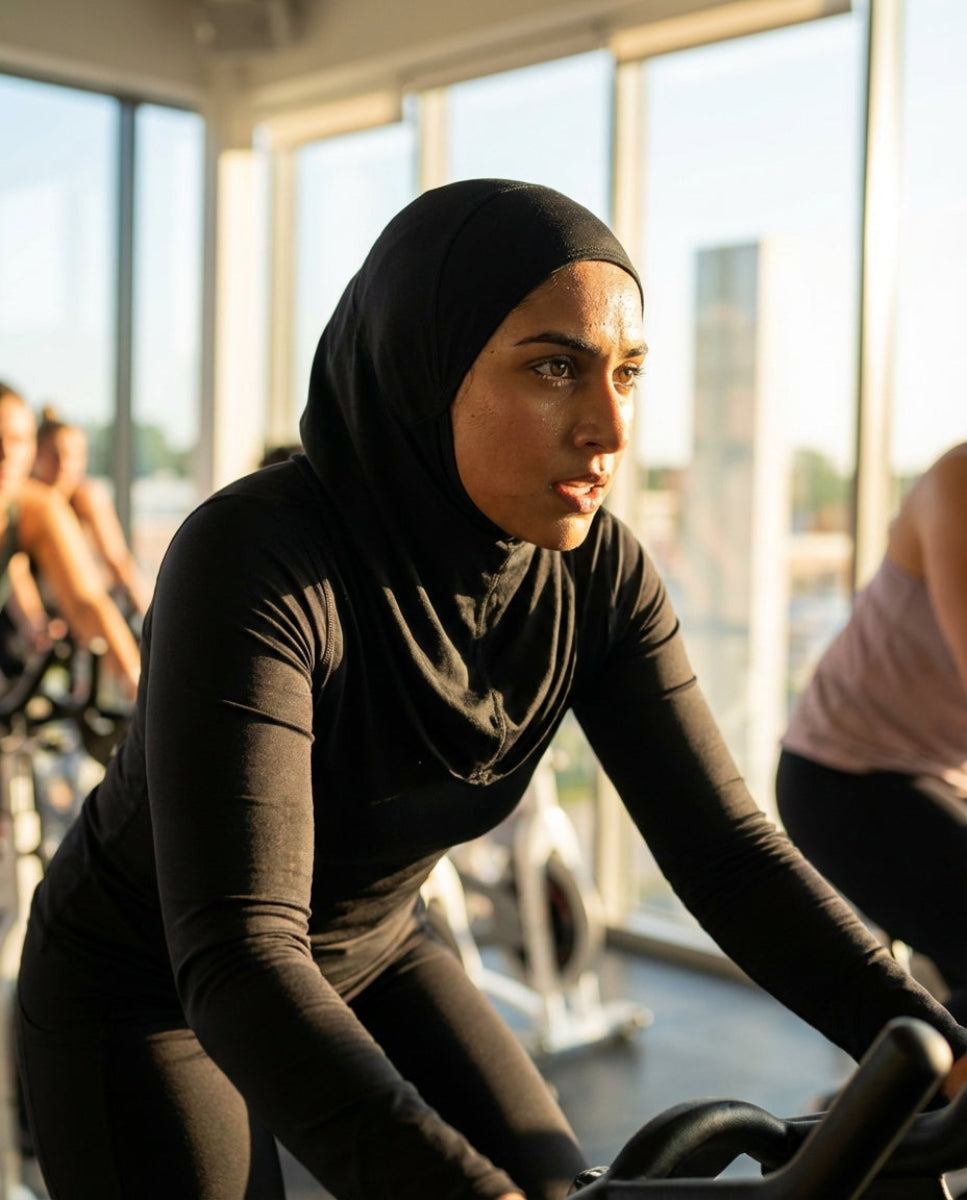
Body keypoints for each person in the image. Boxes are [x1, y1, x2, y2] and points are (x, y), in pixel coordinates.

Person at [15, 180, 967, 1200]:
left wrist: (938, 1049)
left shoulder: (597, 575)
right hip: (149, 983)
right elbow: (242, 954)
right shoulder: (256, 560)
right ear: (426, 367)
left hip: (376, 950)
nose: (610, 427)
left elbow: (726, 854)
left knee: (552, 1184)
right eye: (556, 367)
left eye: (627, 373)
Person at [778, 441, 967, 1024]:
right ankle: (889, 1085)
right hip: (843, 777)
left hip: (937, 776)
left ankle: (906, 1076)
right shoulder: (957, 481)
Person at [0, 383, 140, 694]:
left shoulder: (39, 507)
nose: (6, 454)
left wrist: (139, 690)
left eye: (18, 440)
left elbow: (88, 602)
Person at [32, 407, 152, 618]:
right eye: (55, 454)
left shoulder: (86, 499)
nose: (64, 465)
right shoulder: (23, 506)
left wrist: (151, 619)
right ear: (34, 454)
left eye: (73, 456)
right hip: (36, 618)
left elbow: (118, 563)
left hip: (85, 609)